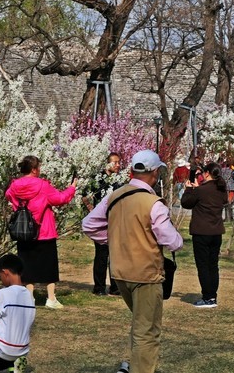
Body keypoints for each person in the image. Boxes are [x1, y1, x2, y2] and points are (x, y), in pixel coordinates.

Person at [82, 150, 184, 373]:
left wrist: (114, 240)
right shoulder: (153, 203)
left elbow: (88, 224)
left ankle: (140, 366)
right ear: (155, 173)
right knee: (147, 332)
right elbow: (171, 240)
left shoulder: (115, 196)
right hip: (146, 274)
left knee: (141, 326)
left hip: (119, 272)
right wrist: (179, 240)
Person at [5, 155, 77, 309]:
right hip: (44, 230)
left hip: (24, 231)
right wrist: (72, 188)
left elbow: (8, 196)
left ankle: (29, 296)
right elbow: (60, 199)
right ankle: (51, 298)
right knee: (49, 265)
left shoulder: (15, 186)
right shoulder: (42, 186)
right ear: (34, 169)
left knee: (27, 264)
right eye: (39, 167)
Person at [181, 162, 228, 309]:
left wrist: (189, 189)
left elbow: (186, 203)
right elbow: (213, 198)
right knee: (213, 265)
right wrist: (196, 189)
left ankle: (207, 297)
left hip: (201, 232)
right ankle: (212, 295)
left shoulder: (201, 190)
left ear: (207, 173)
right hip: (216, 232)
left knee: (203, 266)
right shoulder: (221, 190)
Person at [85, 152, 124, 296]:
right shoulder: (98, 179)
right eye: (115, 162)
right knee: (102, 255)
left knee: (115, 255)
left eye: (119, 162)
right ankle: (99, 287)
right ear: (107, 164)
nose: (118, 165)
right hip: (101, 223)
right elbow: (85, 195)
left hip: (116, 222)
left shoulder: (119, 180)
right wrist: (92, 210)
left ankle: (115, 287)